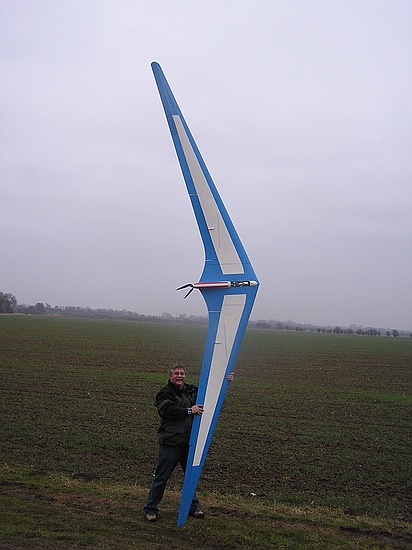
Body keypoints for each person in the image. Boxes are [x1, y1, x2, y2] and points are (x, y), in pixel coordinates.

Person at [144, 363, 233, 522]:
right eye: (176, 373)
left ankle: (193, 507)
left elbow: (211, 393)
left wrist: (225, 381)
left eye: (182, 373)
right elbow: (167, 410)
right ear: (170, 376)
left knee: (191, 477)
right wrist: (190, 411)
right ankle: (151, 509)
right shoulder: (165, 392)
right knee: (161, 478)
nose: (179, 376)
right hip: (171, 443)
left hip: (189, 444)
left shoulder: (191, 390)